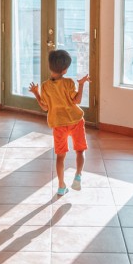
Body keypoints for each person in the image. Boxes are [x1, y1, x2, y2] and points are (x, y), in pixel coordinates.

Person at [29, 49, 90, 197]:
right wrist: (81, 84)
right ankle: (78, 175)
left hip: (58, 124)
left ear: (50, 67)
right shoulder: (68, 83)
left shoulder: (45, 86)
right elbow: (77, 101)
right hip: (75, 121)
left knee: (60, 156)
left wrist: (36, 93)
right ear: (65, 70)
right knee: (80, 150)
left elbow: (44, 107)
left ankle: (61, 186)